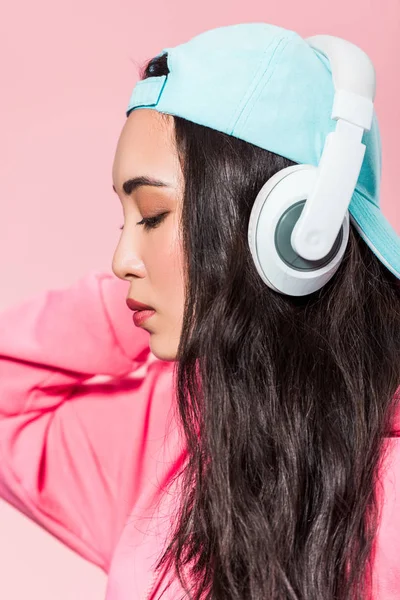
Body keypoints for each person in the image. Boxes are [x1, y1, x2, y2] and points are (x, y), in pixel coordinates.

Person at [1, 21, 400, 600]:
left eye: (153, 215)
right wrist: (156, 296)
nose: (119, 260)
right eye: (124, 220)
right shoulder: (169, 431)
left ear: (291, 234)